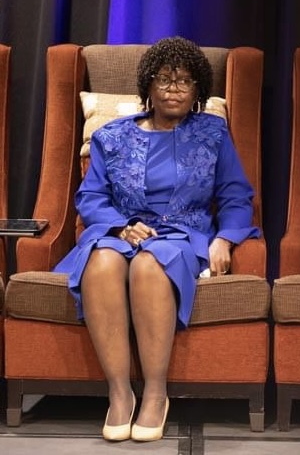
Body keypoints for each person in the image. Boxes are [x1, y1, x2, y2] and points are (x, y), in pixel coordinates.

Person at [53, 36, 260, 442]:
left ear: (199, 88)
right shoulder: (110, 138)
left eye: (185, 81)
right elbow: (91, 198)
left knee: (151, 263)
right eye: (164, 80)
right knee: (102, 261)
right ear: (147, 85)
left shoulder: (212, 133)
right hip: (121, 232)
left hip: (183, 235)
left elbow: (235, 195)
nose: (174, 89)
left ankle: (155, 393)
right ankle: (119, 394)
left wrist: (226, 239)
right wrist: (119, 226)